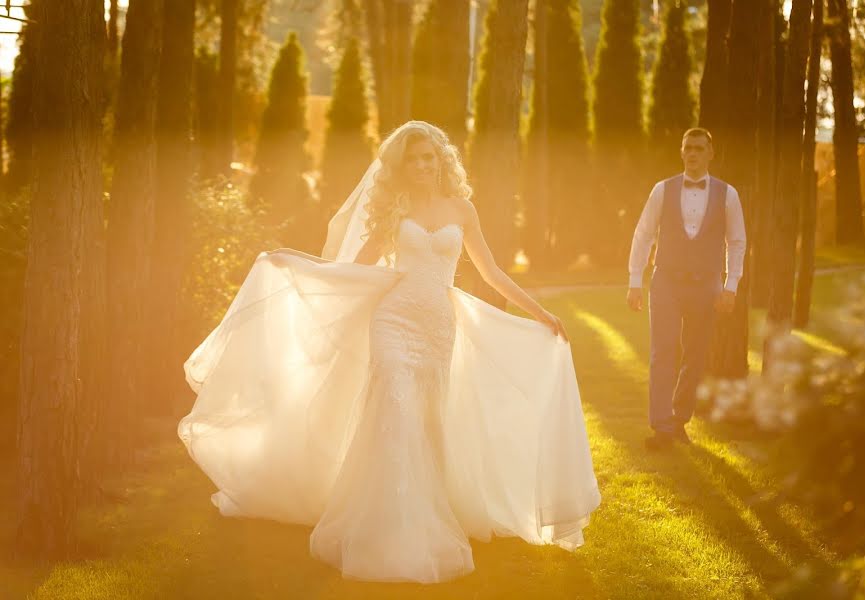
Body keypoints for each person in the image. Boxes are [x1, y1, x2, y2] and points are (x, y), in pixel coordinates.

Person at [178, 121, 600, 583]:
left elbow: (492, 272)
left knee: (430, 423)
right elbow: (351, 270)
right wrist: (295, 263)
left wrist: (540, 314)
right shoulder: (394, 210)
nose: (423, 166)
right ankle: (385, 529)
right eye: (414, 159)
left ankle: (424, 513)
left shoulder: (462, 209)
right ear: (402, 166)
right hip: (393, 322)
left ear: (442, 160)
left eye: (429, 157)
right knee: (395, 416)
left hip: (439, 327)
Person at [627, 127, 747, 451]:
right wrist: (635, 281)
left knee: (695, 356)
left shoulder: (728, 195)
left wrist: (730, 286)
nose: (692, 153)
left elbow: (736, 242)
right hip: (666, 281)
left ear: (711, 153)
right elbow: (643, 235)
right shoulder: (661, 191)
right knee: (662, 350)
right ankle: (661, 427)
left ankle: (679, 419)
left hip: (707, 284)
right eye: (688, 148)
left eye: (699, 148)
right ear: (681, 152)